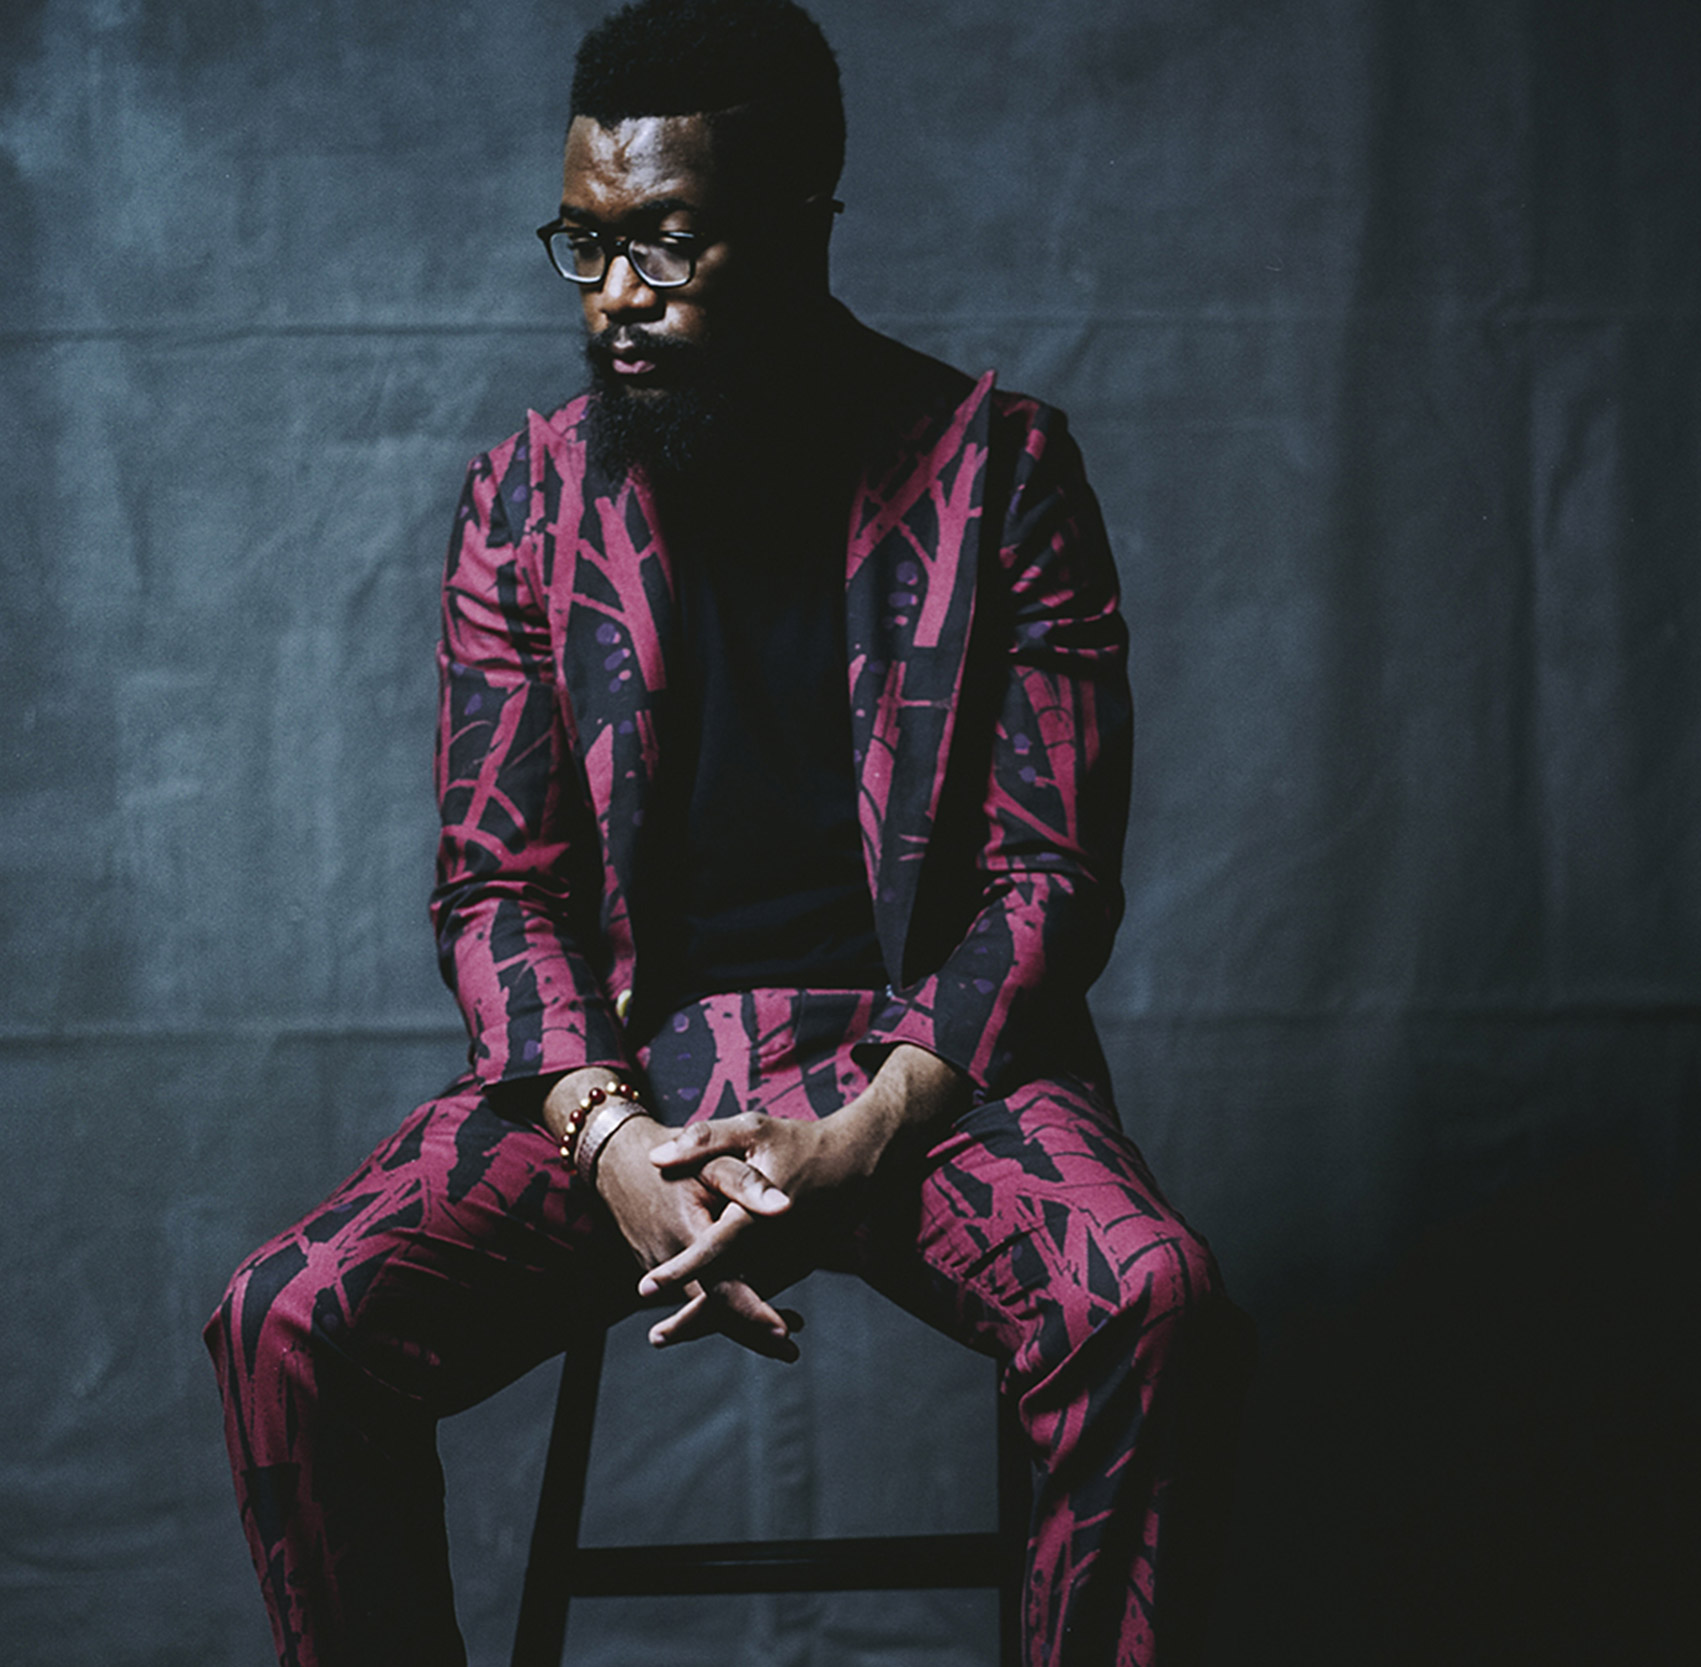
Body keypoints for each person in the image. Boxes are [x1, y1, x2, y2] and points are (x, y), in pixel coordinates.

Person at [206, 1, 1246, 1660]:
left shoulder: (1005, 471)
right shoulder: (526, 502)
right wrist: (611, 1138)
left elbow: (1050, 874)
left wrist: (873, 1121)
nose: (615, 297)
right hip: (628, 1082)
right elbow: (492, 886)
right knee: (289, 1324)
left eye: (668, 247)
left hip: (926, 1076)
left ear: (801, 227)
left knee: (1148, 1302)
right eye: (587, 245)